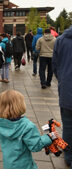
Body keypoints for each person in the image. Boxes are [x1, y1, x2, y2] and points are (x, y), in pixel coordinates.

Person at [0, 90, 53, 169]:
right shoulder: (27, 126)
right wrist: (49, 137)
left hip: (8, 164)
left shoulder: (0, 122)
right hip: (24, 165)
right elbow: (35, 146)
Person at [52, 25, 72, 167]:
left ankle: (69, 156)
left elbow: (55, 65)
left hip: (67, 90)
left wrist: (63, 80)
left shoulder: (61, 40)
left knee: (68, 126)